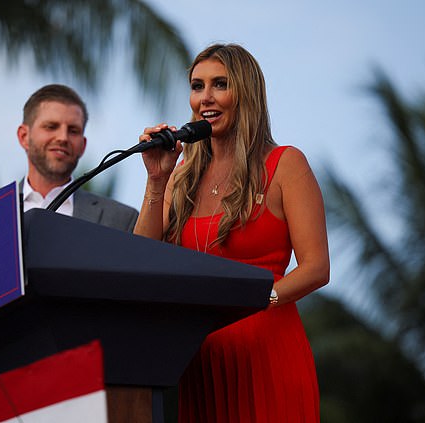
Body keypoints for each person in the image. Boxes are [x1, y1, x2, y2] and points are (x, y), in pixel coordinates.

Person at [134, 43, 330, 422]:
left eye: (220, 84)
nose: (205, 97)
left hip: (268, 353)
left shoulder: (286, 165)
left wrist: (256, 301)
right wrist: (156, 181)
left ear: (247, 93)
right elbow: (144, 256)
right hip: (203, 361)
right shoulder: (181, 176)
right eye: (197, 86)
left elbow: (317, 268)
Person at [0, 84, 139, 389]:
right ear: (24, 136)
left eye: (73, 130)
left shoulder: (121, 219)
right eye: (51, 126)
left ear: (83, 144)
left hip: (82, 383)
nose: (63, 137)